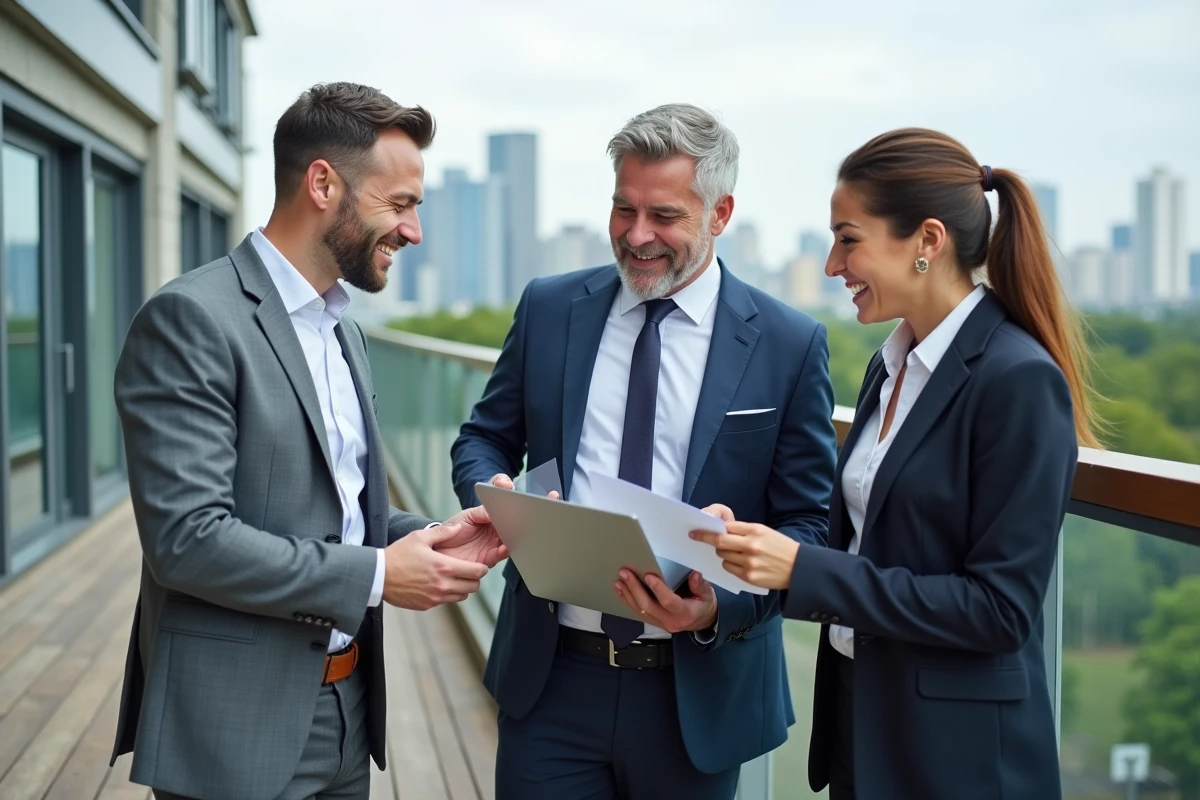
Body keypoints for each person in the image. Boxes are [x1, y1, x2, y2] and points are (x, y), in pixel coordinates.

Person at [109, 82, 507, 800]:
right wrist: (381, 576)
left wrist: (439, 534)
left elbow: (342, 512)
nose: (413, 231)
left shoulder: (343, 330)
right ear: (323, 183)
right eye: (402, 203)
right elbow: (188, 540)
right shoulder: (190, 320)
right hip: (235, 727)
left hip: (347, 711)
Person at [692, 128, 1099, 800]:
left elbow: (1000, 610)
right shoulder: (891, 367)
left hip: (957, 762)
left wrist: (804, 569)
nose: (830, 265)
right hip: (866, 727)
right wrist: (738, 549)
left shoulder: (1017, 381)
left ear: (928, 242)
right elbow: (855, 543)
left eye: (848, 239)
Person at [450, 103, 838, 800]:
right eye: (622, 210)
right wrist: (500, 495)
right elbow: (483, 437)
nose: (636, 235)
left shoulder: (789, 343)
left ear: (720, 215)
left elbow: (810, 522)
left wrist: (719, 604)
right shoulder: (548, 307)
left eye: (663, 216)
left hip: (697, 695)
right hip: (551, 683)